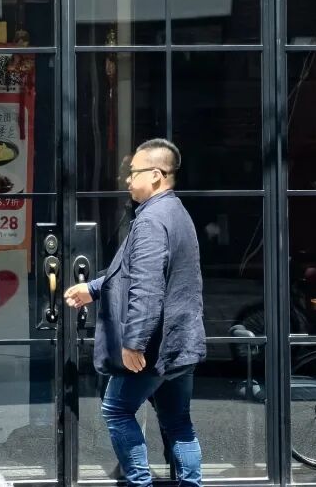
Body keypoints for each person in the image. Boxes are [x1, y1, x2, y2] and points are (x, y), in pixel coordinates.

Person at [64, 138, 206, 487]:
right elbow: (132, 273)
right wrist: (92, 288)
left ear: (156, 174)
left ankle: (140, 484)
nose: (127, 180)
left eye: (133, 172)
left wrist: (134, 343)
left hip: (154, 347)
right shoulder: (176, 213)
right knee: (178, 422)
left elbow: (147, 286)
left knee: (116, 410)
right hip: (179, 342)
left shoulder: (152, 221)